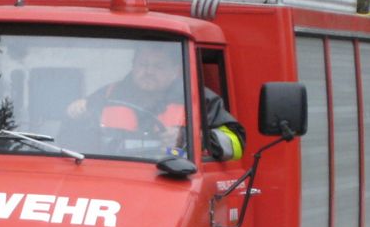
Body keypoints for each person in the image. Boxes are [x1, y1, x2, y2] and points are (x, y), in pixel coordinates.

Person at [64, 43, 245, 161]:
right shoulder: (108, 95)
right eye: (143, 64)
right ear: (133, 65)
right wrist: (77, 114)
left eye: (158, 66)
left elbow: (236, 143)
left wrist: (191, 139)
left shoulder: (199, 99)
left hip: (175, 179)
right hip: (111, 177)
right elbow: (69, 142)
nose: (148, 71)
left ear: (176, 70)